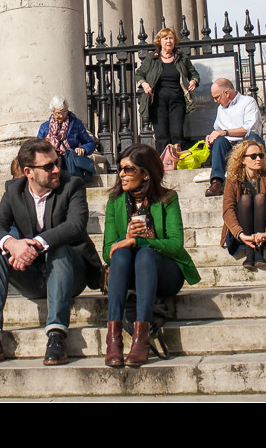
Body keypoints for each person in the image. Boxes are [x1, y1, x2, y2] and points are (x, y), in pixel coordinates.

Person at [0, 139, 103, 367]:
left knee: (57, 246)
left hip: (71, 274)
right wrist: (13, 245)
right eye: (48, 166)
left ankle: (56, 335)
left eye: (56, 163)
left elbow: (76, 225)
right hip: (34, 277)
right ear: (28, 172)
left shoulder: (72, 185)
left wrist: (35, 244)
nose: (57, 169)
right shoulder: (14, 191)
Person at [102, 144, 199, 367]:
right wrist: (125, 238)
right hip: (130, 274)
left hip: (165, 273)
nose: (122, 175)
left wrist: (140, 240)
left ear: (145, 173)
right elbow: (107, 252)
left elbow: (176, 245)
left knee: (145, 253)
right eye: (121, 169)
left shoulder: (167, 199)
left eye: (129, 169)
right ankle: (113, 339)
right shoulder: (115, 202)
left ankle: (141, 337)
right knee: (120, 255)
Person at [221, 140, 266, 270]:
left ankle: (258, 253)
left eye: (261, 155)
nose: (258, 159)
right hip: (241, 230)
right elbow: (228, 209)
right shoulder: (232, 179)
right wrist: (240, 234)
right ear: (242, 160)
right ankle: (250, 254)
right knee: (245, 200)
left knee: (260, 198)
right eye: (253, 156)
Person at [135, 28, 200, 154]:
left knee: (176, 133)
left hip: (177, 100)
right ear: (160, 41)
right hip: (157, 101)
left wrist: (193, 81)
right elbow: (139, 74)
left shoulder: (182, 58)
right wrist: (144, 84)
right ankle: (163, 163)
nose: (169, 41)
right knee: (161, 135)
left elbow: (193, 73)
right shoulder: (152, 58)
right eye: (165, 38)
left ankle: (176, 160)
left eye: (171, 38)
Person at [204, 78, 263, 197]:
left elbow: (248, 129)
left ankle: (260, 178)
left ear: (226, 93)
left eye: (217, 97)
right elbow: (218, 129)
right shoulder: (221, 108)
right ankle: (217, 182)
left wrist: (225, 132)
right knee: (219, 141)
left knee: (253, 139)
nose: (215, 101)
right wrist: (211, 136)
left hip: (246, 142)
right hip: (229, 145)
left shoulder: (248, 102)